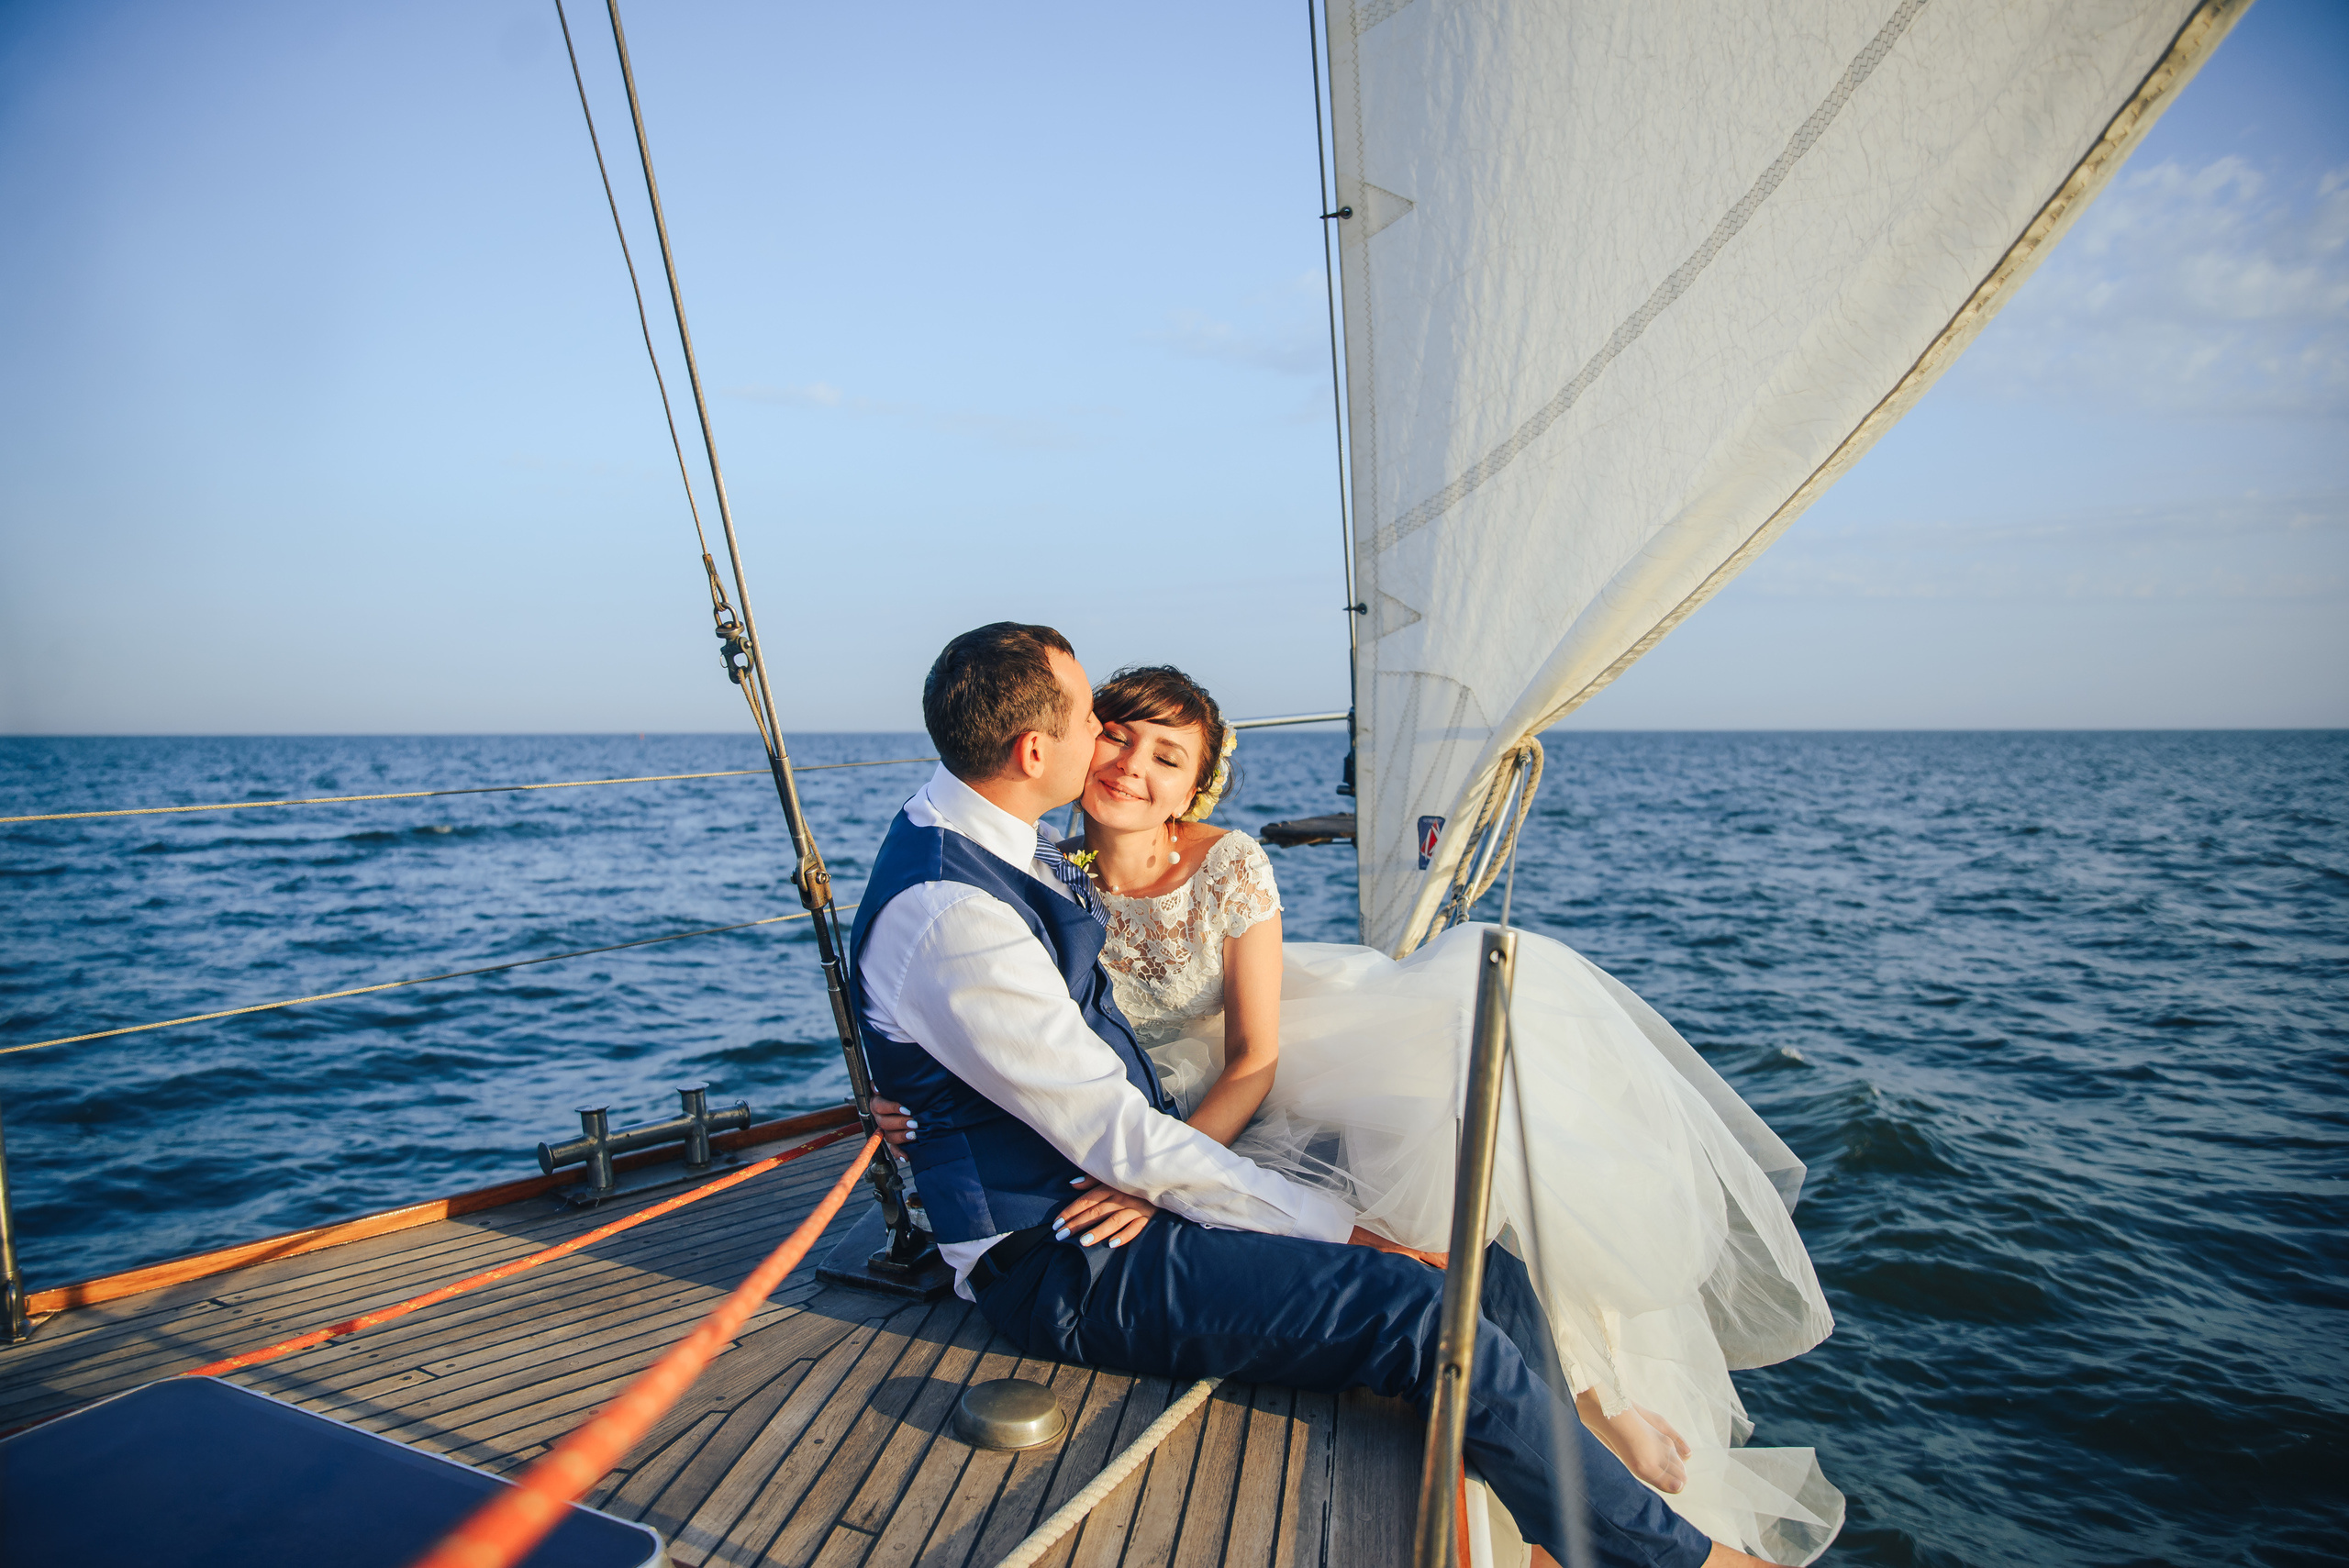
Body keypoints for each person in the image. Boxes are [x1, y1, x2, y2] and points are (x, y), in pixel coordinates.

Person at [852, 622, 1794, 1568]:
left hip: (1133, 1188)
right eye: (1092, 712)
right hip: (1059, 1255)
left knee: (1482, 1266)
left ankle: (1579, 1506)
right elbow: (1112, 1134)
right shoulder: (958, 909)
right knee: (1420, 1309)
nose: (1106, 729)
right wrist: (1351, 1232)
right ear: (1033, 751)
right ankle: (1688, 1562)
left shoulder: (991, 842)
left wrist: (906, 1086)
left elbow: (969, 1038)